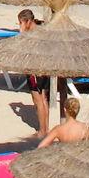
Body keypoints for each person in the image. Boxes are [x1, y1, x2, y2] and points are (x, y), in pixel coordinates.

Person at [15, 9, 52, 137]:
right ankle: (45, 128)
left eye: (21, 22)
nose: (20, 25)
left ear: (28, 21)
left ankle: (42, 131)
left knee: (38, 100)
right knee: (44, 98)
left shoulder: (32, 35)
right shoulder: (43, 30)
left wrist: (22, 31)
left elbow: (23, 46)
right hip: (45, 68)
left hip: (35, 69)